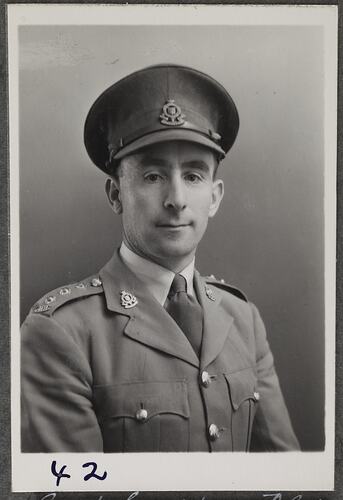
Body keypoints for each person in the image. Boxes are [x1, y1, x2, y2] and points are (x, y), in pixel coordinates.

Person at [21, 64, 300, 453]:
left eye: (194, 176)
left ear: (215, 197)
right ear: (116, 194)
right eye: (153, 176)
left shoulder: (243, 319)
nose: (177, 200)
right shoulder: (61, 333)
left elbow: (286, 477)